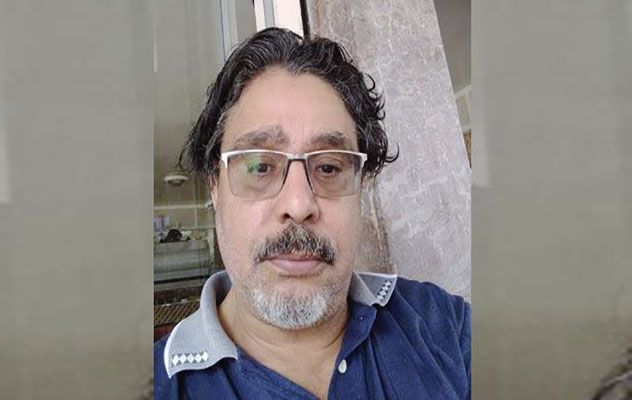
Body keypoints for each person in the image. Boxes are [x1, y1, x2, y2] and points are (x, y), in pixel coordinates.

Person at [154, 27, 470, 399]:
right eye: (259, 167)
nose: (299, 205)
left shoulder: (444, 329)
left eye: (329, 167)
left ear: (361, 188)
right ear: (215, 187)